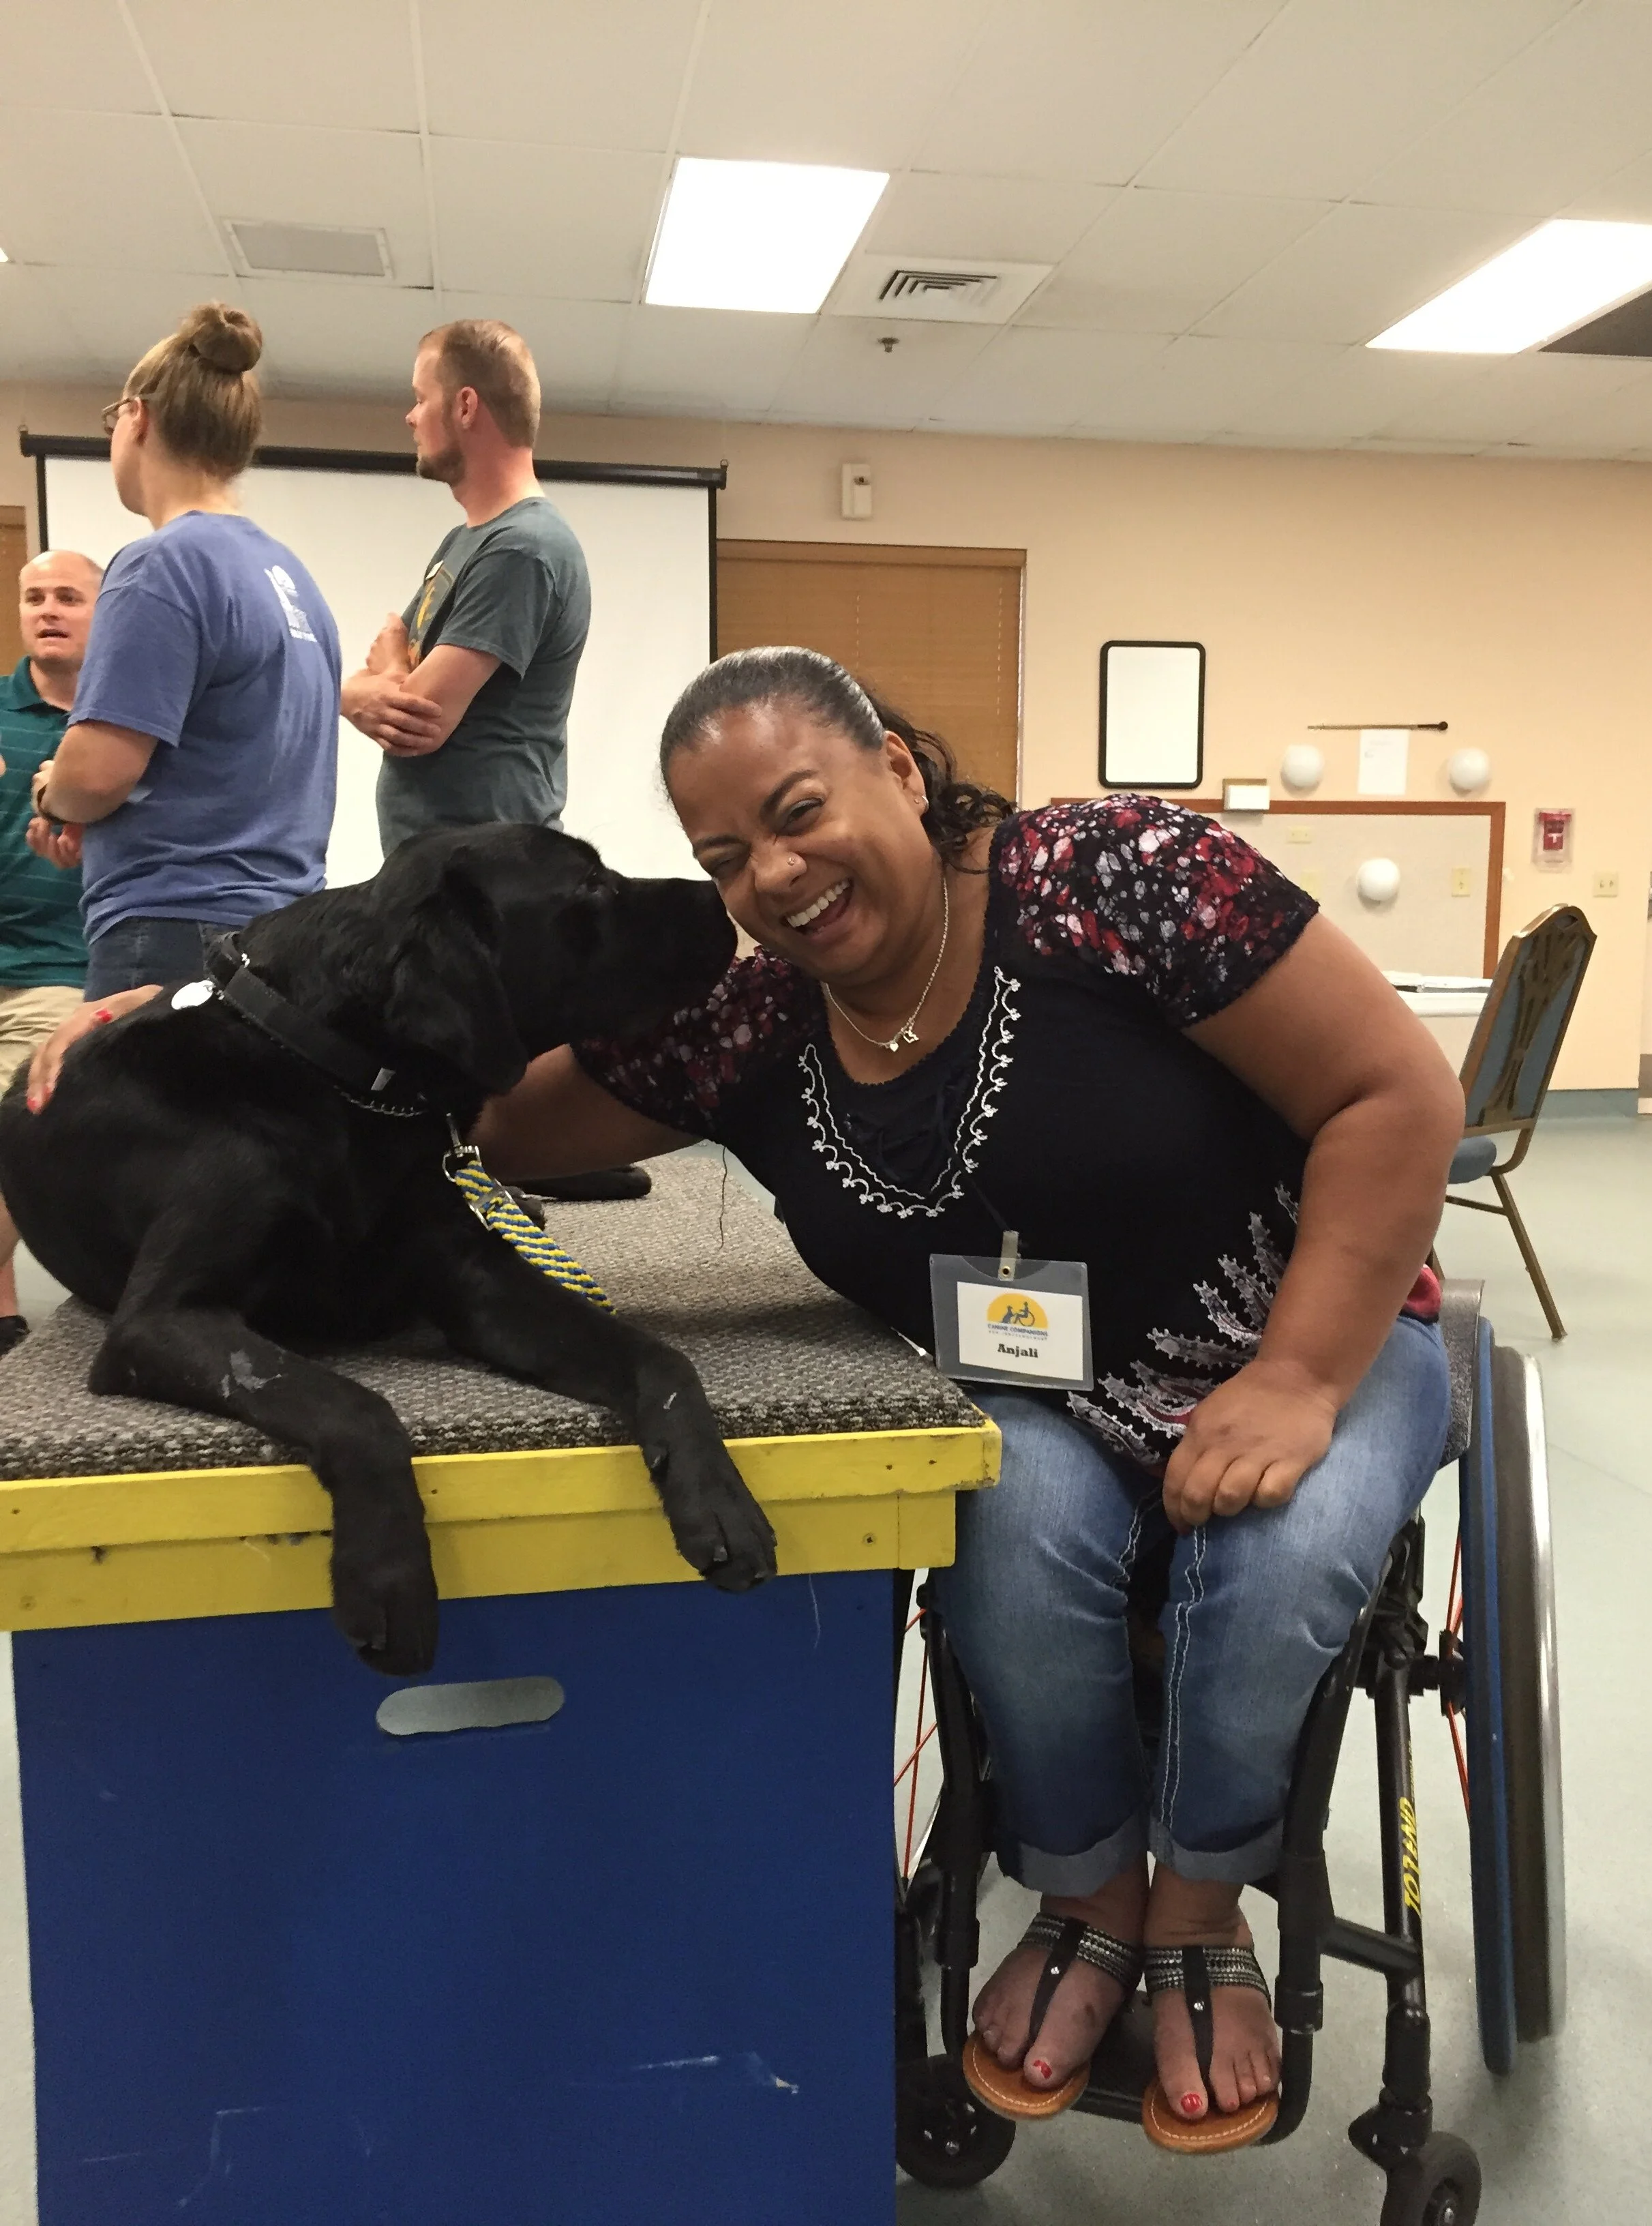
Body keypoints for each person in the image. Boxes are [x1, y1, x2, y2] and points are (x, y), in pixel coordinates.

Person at [25, 647, 1464, 2141]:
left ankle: (1201, 1914)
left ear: (900, 769)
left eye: (797, 811)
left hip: (1310, 1334)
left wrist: (1298, 1378)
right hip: (1043, 1397)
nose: (773, 877)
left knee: (1281, 1553)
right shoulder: (752, 1015)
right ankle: (1087, 1895)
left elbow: (1396, 1095)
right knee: (1002, 1528)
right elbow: (494, 1109)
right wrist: (199, 1013)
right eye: (726, 857)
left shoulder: (1116, 874)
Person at [27, 301, 340, 1001]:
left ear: (136, 418)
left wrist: (55, 791)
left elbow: (99, 775)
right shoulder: (294, 579)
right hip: (282, 939)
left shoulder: (160, 566)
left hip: (171, 935)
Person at [340, 319, 590, 857]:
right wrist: (362, 689)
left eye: (421, 398)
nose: (410, 416)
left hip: (490, 883)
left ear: (466, 406)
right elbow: (388, 670)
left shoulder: (521, 548)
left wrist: (382, 678)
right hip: (449, 875)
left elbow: (416, 721)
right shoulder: (466, 542)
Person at [0, 550, 101, 1354]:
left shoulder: (116, 723)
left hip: (63, 969)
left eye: (68, 596)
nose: (48, 609)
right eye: (35, 597)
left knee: (11, 1122)